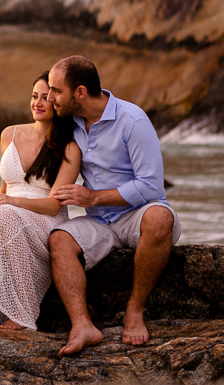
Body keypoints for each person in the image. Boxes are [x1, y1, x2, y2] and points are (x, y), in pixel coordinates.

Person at [45, 55, 180, 355]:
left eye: (56, 90)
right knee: (59, 239)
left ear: (80, 92)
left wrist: (93, 197)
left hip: (136, 215)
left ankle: (134, 311)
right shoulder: (71, 122)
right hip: (99, 223)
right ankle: (82, 325)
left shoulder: (132, 120)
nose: (49, 96)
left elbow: (151, 185)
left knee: (160, 218)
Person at [0, 71, 82, 331]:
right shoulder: (9, 134)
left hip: (46, 218)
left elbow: (54, 205)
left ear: (58, 103)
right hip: (12, 211)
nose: (38, 103)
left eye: (46, 98)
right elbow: (6, 186)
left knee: (4, 215)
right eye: (34, 96)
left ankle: (23, 313)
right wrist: (1, 201)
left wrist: (12, 202)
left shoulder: (68, 147)